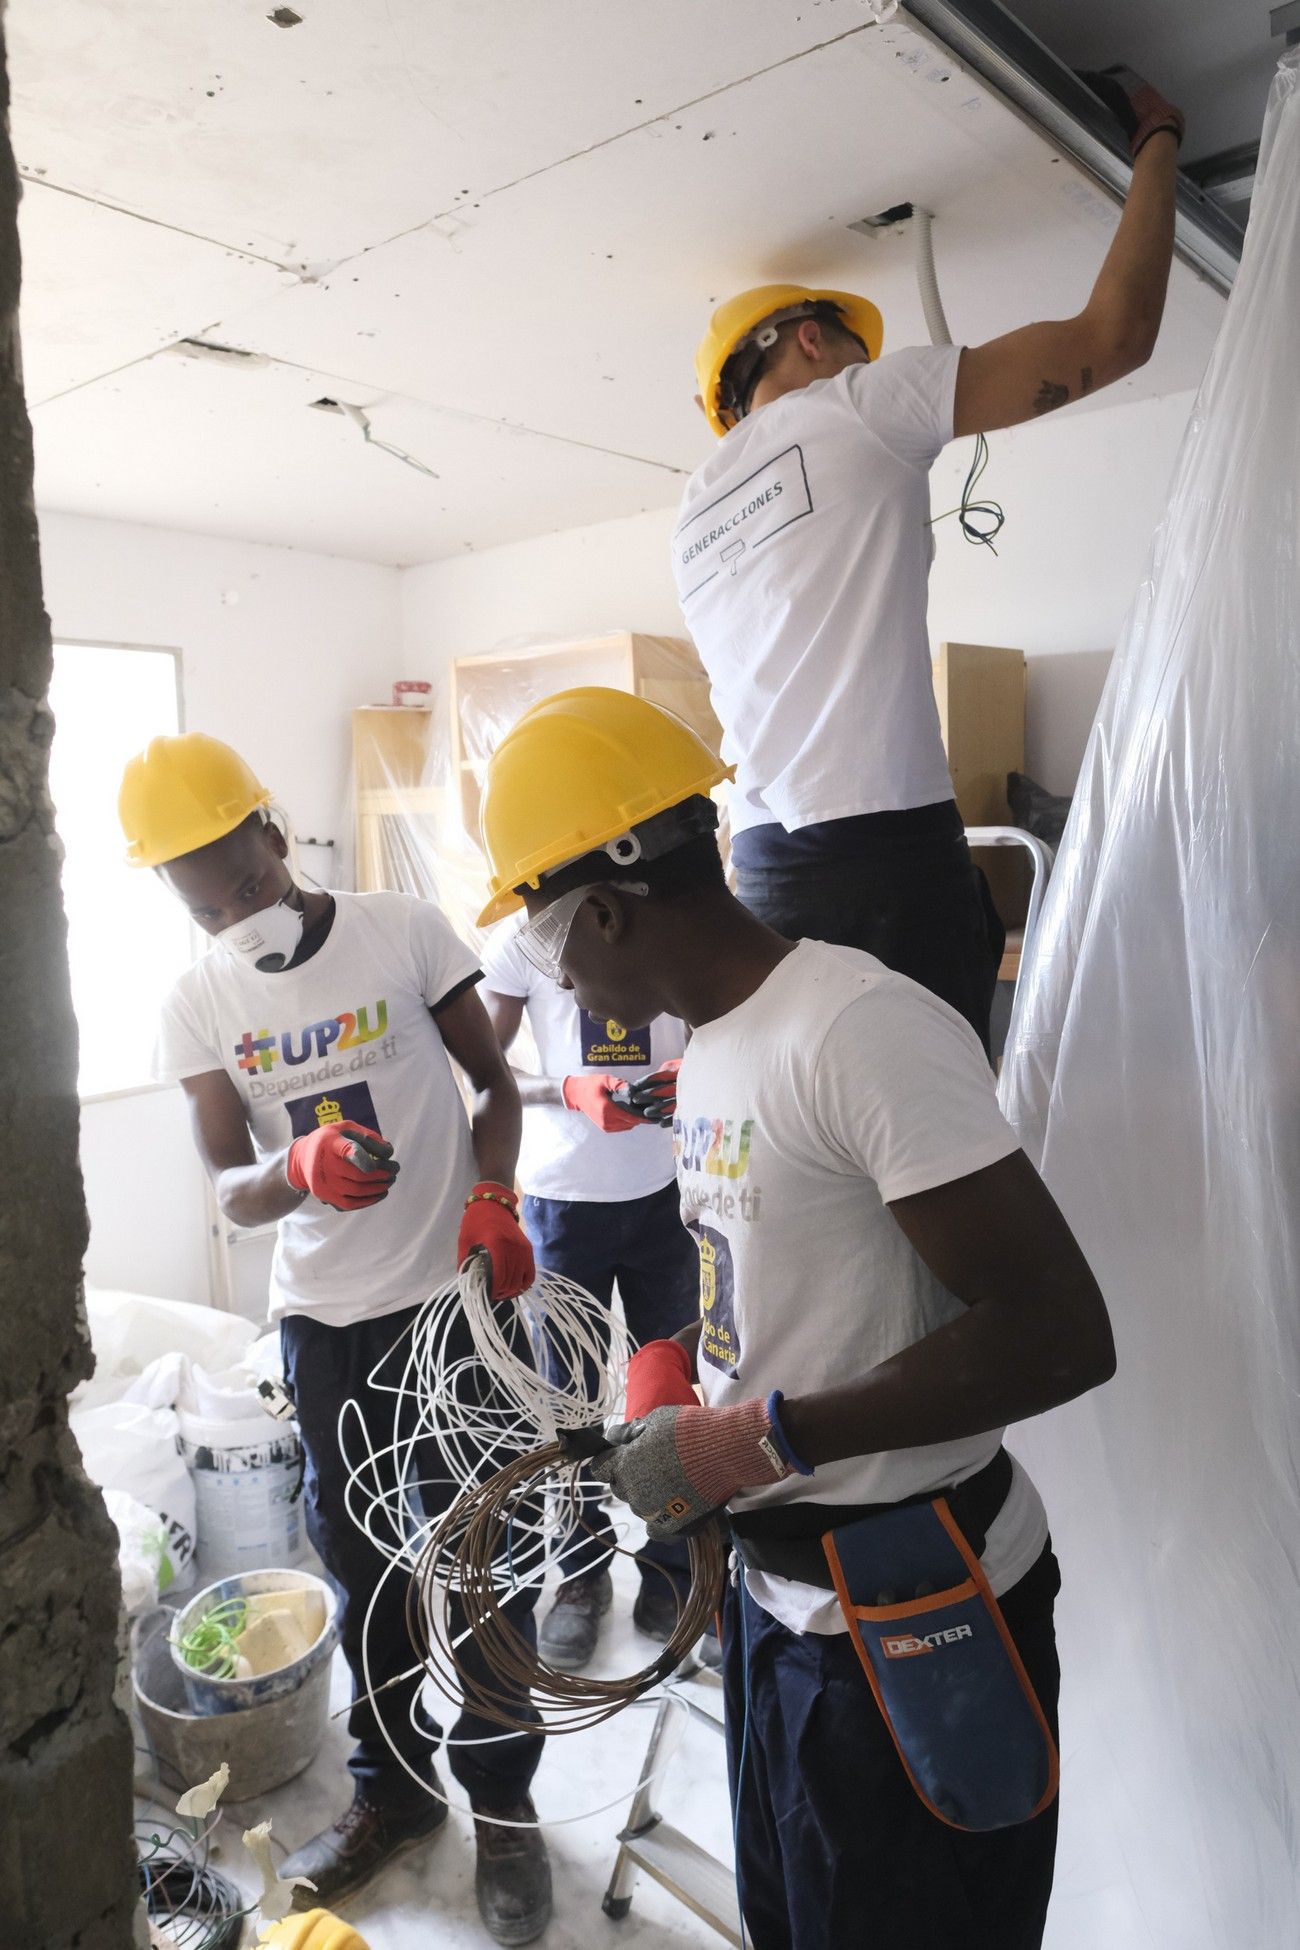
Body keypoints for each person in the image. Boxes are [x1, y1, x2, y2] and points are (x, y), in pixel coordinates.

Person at [474, 688, 1116, 1950]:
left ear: (603, 908)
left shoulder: (857, 1028)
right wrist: (691, 1377)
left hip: (912, 1618)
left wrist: (756, 1440)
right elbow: (791, 1277)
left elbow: (1057, 1329)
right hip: (783, 1619)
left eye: (545, 943)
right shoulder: (714, 1050)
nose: (553, 974)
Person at [117, 732, 551, 1946]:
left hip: (449, 1300)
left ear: (274, 828)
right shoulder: (201, 1000)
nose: (236, 915)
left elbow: (494, 1087)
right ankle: (397, 1798)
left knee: (483, 1549)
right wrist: (292, 1168)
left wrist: (496, 1192)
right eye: (204, 905)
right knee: (365, 1578)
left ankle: (506, 1805)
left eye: (245, 882)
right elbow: (230, 1190)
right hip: (326, 1327)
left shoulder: (400, 930)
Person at [674, 68, 1184, 1052]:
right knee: (939, 1144)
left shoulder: (692, 513)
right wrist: (1156, 142)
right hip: (882, 851)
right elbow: (1114, 339)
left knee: (821, 1143)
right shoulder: (856, 406)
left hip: (764, 867)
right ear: (814, 342)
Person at [480, 919, 700, 1668]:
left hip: (668, 1191)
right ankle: (579, 1577)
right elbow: (480, 1067)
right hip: (560, 1199)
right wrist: (567, 1089)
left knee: (667, 1397)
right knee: (568, 1404)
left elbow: (724, 1025)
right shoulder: (523, 938)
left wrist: (695, 1073)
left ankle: (672, 1569)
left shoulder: (667, 909)